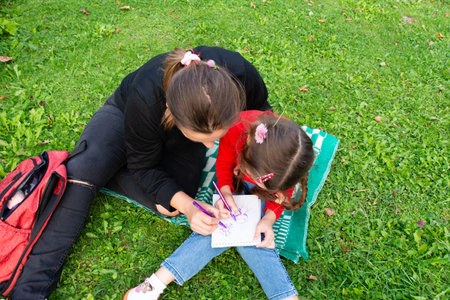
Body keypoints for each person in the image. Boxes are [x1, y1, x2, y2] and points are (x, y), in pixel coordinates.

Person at [9, 46, 271, 299]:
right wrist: (180, 199)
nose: (210, 147)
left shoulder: (239, 73)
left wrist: (189, 204)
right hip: (124, 117)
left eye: (216, 137)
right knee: (84, 173)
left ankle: (103, 169)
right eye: (203, 139)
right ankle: (30, 290)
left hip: (167, 135)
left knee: (173, 198)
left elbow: (263, 114)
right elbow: (144, 167)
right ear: (171, 112)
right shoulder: (147, 96)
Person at [123, 110, 315, 300]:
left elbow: (283, 193)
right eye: (260, 181)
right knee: (215, 226)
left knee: (256, 234)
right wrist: (225, 191)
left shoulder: (290, 158)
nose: (259, 186)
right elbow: (223, 163)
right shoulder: (237, 130)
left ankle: (155, 282)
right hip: (235, 181)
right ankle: (155, 283)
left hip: (262, 176)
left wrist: (268, 218)